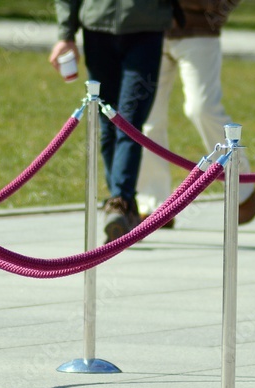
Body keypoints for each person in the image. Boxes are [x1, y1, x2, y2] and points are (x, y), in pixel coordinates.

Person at [50, 0, 175, 242]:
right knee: (107, 119)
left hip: (145, 28)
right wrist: (66, 35)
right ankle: (121, 203)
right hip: (98, 27)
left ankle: (119, 202)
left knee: (128, 122)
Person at [135, 0, 255, 227]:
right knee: (148, 119)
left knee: (201, 109)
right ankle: (154, 204)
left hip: (199, 29)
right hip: (149, 30)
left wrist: (213, 11)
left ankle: (243, 188)